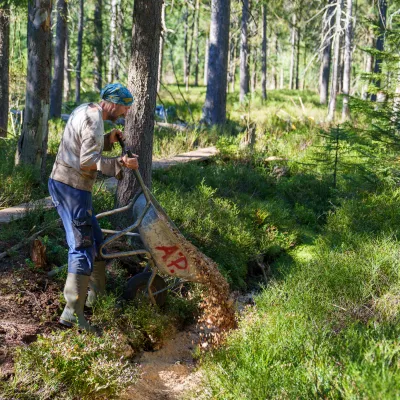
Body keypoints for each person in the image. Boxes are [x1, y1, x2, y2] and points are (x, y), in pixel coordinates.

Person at [48, 83, 138, 332]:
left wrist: (108, 141)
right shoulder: (94, 121)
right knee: (82, 247)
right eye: (124, 107)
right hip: (72, 188)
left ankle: (97, 300)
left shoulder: (87, 110)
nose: (125, 113)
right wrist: (120, 163)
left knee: (96, 241)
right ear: (112, 103)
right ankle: (72, 313)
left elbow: (85, 146)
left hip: (72, 186)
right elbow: (87, 161)